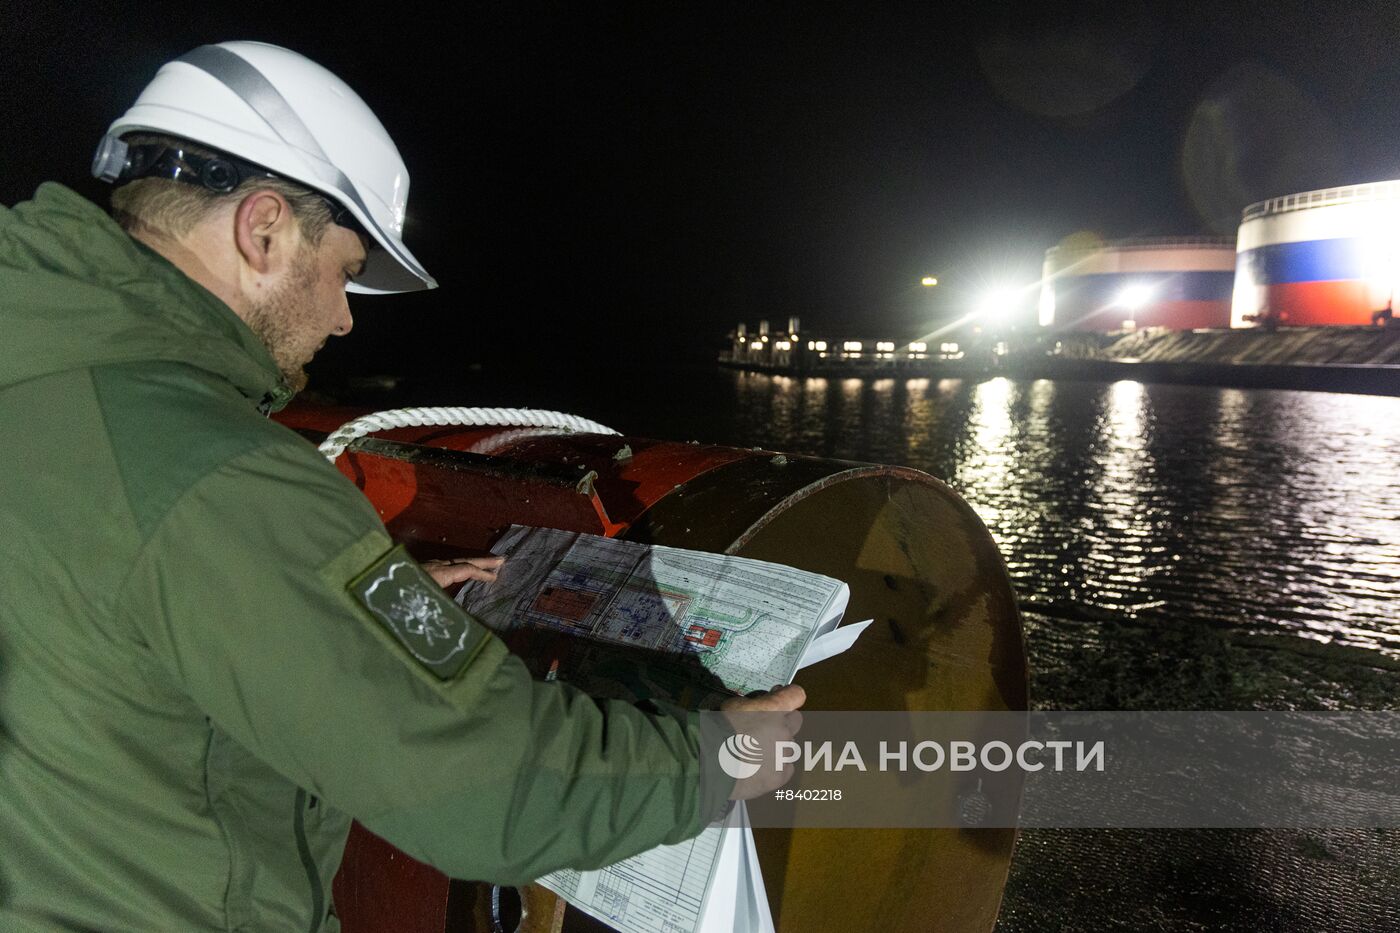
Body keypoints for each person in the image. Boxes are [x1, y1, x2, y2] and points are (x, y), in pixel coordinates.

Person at [0, 41, 804, 931]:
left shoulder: (38, 373)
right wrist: (716, 759)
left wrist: (324, 612)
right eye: (344, 271)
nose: (344, 317)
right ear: (262, 229)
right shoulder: (221, 474)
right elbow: (485, 787)